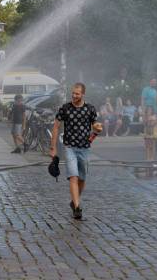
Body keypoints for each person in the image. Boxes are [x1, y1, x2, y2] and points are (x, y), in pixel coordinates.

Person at [50, 83, 101, 220]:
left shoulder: (90, 109)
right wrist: (53, 148)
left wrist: (96, 129)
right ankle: (77, 208)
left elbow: (95, 126)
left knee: (82, 178)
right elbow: (55, 127)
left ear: (82, 94)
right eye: (73, 93)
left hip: (84, 148)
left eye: (77, 93)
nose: (74, 95)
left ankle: (74, 201)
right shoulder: (65, 108)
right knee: (73, 176)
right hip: (69, 147)